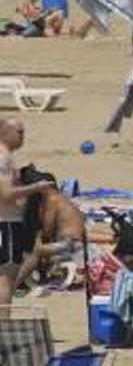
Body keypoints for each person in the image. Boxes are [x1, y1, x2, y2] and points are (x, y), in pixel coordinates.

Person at [0, 119, 52, 309]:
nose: (23, 136)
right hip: (6, 225)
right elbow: (6, 194)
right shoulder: (3, 158)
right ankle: (3, 332)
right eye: (19, 132)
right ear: (5, 133)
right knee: (5, 280)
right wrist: (35, 188)